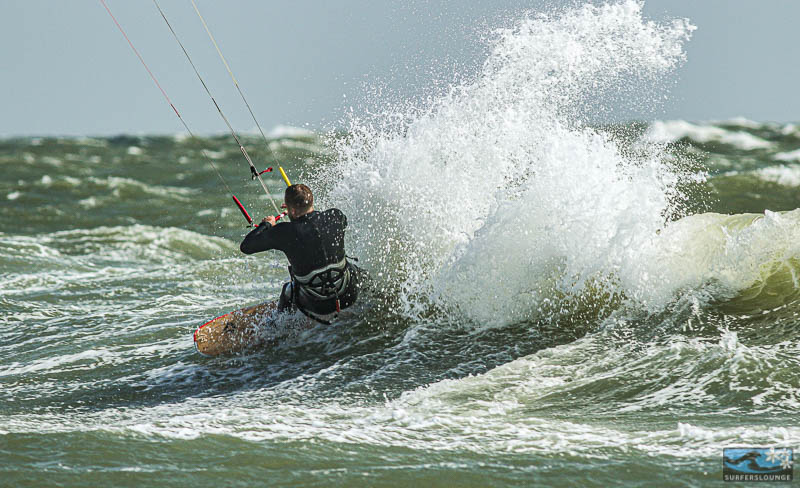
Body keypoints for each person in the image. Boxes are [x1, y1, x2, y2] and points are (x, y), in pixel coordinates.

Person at [240, 184, 360, 323]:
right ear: (312, 202)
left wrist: (267, 224)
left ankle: (277, 328)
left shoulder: (283, 232)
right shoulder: (335, 216)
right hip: (349, 295)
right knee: (355, 270)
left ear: (291, 209)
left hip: (316, 306)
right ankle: (378, 298)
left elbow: (246, 247)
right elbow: (325, 224)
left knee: (288, 290)